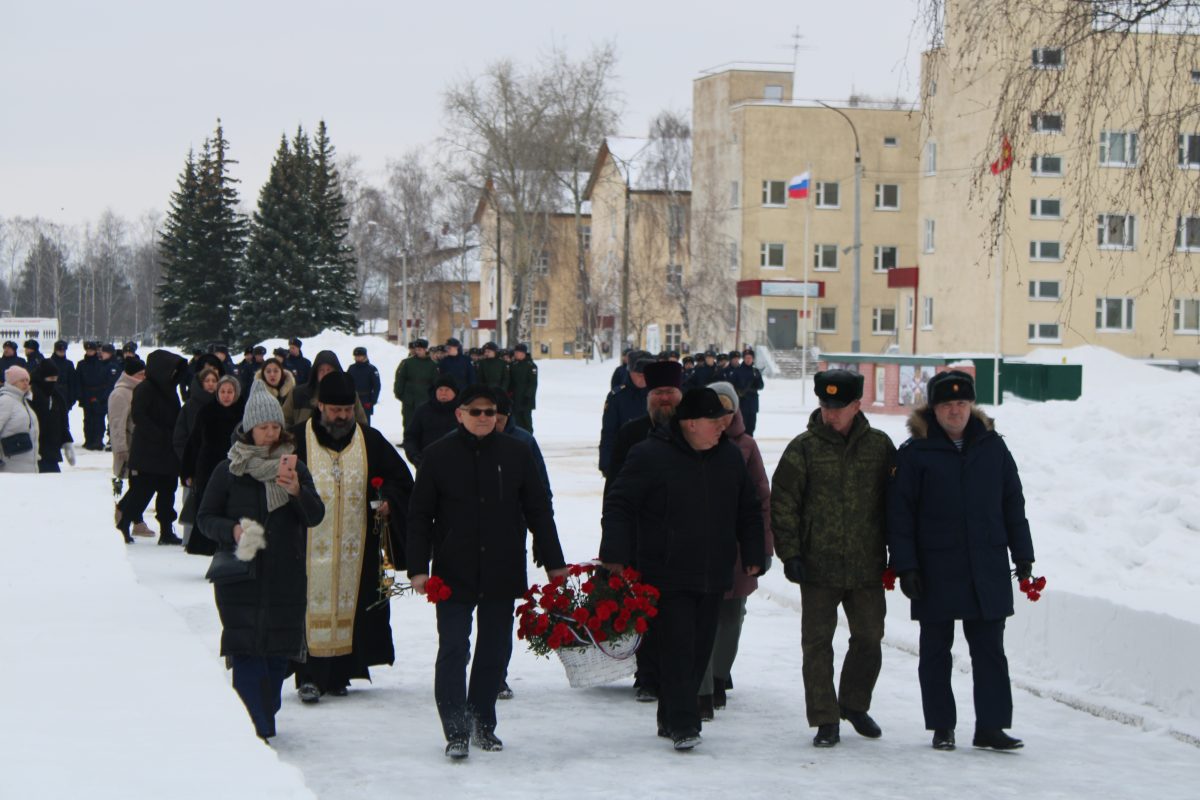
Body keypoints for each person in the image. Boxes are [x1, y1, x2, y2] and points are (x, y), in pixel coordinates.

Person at [406, 384, 569, 759]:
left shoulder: (517, 453)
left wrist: (555, 563)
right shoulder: (437, 456)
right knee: (453, 648)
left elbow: (538, 509)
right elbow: (419, 517)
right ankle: (456, 729)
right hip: (453, 568)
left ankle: (482, 722)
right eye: (476, 411)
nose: (483, 418)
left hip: (501, 565)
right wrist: (418, 568)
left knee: (494, 650)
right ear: (459, 414)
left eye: (490, 412)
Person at [601, 387, 765, 751]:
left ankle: (670, 715)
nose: (722, 426)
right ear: (690, 423)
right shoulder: (650, 455)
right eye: (714, 420)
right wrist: (614, 553)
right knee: (677, 647)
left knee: (699, 649)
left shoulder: (729, 459)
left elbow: (749, 509)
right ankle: (684, 722)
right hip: (666, 570)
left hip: (713, 571)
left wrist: (754, 552)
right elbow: (620, 504)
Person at [887, 369, 1035, 752]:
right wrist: (906, 566)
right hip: (935, 569)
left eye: (962, 403)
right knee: (936, 651)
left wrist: (1024, 557)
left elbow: (1012, 505)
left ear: (971, 406)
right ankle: (942, 726)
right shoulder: (916, 454)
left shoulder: (993, 448)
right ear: (933, 409)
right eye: (947, 405)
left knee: (989, 651)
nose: (955, 412)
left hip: (985, 567)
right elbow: (899, 514)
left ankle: (991, 726)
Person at [770, 369, 895, 747]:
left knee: (869, 637)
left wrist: (900, 554)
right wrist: (790, 553)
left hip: (866, 564)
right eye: (825, 405)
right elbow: (783, 503)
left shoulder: (879, 447)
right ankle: (825, 718)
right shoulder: (803, 448)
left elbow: (897, 503)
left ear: (857, 405)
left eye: (839, 407)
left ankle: (854, 703)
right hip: (817, 565)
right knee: (817, 644)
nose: (831, 413)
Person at [196, 382, 326, 740]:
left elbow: (315, 516)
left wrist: (297, 491)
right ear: (249, 428)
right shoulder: (229, 470)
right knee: (247, 653)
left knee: (277, 658)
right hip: (241, 577)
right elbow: (204, 518)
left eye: (274, 427)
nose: (270, 433)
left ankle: (263, 716)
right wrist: (234, 531)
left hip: (285, 575)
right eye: (263, 427)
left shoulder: (295, 469)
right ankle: (256, 730)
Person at [291, 372, 414, 701]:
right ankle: (308, 676)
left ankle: (340, 675)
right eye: (335, 410)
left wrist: (386, 500)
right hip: (305, 549)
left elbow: (401, 481)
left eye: (347, 409)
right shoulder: (297, 440)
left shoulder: (370, 441)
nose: (342, 416)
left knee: (354, 608)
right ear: (320, 407)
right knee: (305, 608)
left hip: (357, 549)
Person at [603, 359, 684, 703]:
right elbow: (615, 494)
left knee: (681, 614)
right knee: (644, 608)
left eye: (669, 392)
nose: (664, 399)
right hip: (640, 537)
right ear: (648, 396)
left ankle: (682, 676)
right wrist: (613, 545)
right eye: (658, 393)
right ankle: (647, 676)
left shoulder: (694, 431)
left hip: (683, 537)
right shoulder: (631, 433)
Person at [697, 382, 773, 719]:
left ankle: (718, 673)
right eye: (717, 409)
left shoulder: (746, 446)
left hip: (739, 546)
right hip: (699, 545)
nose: (723, 418)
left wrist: (764, 548)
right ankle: (702, 688)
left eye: (728, 410)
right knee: (700, 618)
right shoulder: (693, 442)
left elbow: (762, 497)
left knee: (731, 617)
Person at [119, 349, 188, 545]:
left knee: (167, 493)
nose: (174, 374)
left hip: (167, 452)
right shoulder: (146, 388)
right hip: (148, 452)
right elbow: (139, 416)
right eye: (171, 370)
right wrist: (161, 434)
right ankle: (123, 524)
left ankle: (166, 530)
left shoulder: (169, 389)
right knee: (141, 493)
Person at [181, 375, 245, 555]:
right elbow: (194, 442)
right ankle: (203, 545)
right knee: (207, 506)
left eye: (230, 392)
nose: (226, 396)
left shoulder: (243, 413)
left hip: (234, 467)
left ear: (236, 393)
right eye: (223, 391)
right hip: (207, 467)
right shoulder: (206, 412)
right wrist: (188, 471)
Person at [109, 357, 149, 541]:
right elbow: (116, 425)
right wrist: (121, 450)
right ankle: (123, 515)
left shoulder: (138, 390)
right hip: (130, 447)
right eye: (140, 374)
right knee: (139, 486)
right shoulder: (121, 393)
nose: (143, 377)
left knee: (140, 485)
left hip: (140, 446)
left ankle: (136, 520)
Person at [282, 350, 368, 429]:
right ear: (316, 372)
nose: (325, 374)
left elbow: (362, 424)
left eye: (329, 370)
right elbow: (284, 421)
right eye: (322, 370)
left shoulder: (349, 394)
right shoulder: (298, 393)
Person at [598, 351, 651, 477]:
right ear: (630, 372)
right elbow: (608, 432)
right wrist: (606, 464)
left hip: (654, 461)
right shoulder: (617, 397)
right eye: (639, 375)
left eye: (646, 375)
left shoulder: (659, 395)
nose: (643, 378)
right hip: (625, 462)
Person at [402, 375, 459, 467]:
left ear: (455, 392)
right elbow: (411, 437)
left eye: (447, 389)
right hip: (426, 464)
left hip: (456, 466)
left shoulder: (463, 411)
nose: (443, 393)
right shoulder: (423, 410)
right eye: (440, 389)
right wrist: (414, 456)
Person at [29, 360, 68, 473]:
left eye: (55, 379)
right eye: (50, 379)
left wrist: (66, 440)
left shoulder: (56, 395)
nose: (53, 382)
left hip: (52, 446)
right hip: (37, 446)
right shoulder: (32, 393)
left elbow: (62, 419)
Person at [393, 338, 437, 433]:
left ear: (425, 350)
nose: (417, 351)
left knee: (424, 421)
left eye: (420, 349)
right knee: (408, 421)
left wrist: (433, 397)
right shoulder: (408, 363)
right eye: (416, 349)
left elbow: (435, 383)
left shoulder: (432, 365)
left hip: (425, 398)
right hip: (409, 398)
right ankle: (408, 441)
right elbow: (401, 378)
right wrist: (399, 393)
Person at [0, 365, 39, 473]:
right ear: (12, 382)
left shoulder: (23, 402)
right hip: (10, 466)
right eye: (22, 380)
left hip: (29, 464)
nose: (26, 383)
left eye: (27, 380)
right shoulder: (5, 401)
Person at [77, 342, 111, 450]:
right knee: (87, 419)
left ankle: (98, 440)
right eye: (88, 350)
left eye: (91, 350)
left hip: (98, 395)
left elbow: (105, 381)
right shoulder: (81, 364)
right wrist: (80, 395)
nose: (89, 352)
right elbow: (78, 380)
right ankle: (88, 440)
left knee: (98, 419)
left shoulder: (101, 364)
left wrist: (102, 397)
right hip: (86, 394)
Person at [48, 340, 79, 449]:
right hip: (52, 393)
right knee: (53, 418)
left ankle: (64, 438)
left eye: (63, 350)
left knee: (64, 419)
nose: (61, 352)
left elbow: (73, 381)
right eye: (59, 350)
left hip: (65, 394)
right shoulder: (49, 362)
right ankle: (54, 438)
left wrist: (72, 397)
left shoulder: (69, 364)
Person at [730, 349, 765, 436]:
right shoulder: (738, 371)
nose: (748, 359)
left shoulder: (755, 371)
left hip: (753, 404)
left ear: (753, 359)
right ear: (744, 359)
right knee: (742, 426)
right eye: (746, 358)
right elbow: (731, 385)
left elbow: (761, 385)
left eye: (750, 358)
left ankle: (749, 443)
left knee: (751, 426)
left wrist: (756, 381)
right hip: (742, 403)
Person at [507, 343, 538, 433]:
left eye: (518, 352)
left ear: (523, 353)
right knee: (516, 421)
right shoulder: (513, 364)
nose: (515, 354)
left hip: (526, 399)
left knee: (526, 420)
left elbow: (533, 383)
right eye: (515, 352)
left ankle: (528, 440)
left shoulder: (531, 366)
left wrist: (528, 395)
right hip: (515, 397)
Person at [347, 346, 382, 420]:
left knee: (365, 424)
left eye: (359, 356)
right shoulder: (351, 368)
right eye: (356, 356)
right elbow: (347, 383)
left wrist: (372, 401)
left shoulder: (372, 369)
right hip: (353, 400)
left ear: (365, 356)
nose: (357, 358)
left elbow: (377, 386)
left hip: (366, 400)